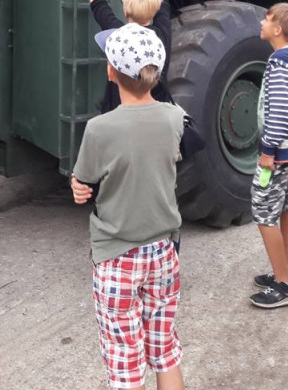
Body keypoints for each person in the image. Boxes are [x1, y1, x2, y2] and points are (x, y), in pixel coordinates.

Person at [71, 22, 185, 390]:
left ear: (110, 72)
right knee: (164, 348)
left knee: (125, 360)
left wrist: (77, 188)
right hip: (164, 253)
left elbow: (84, 183)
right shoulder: (174, 117)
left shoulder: (99, 128)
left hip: (117, 256)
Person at [249, 2, 288, 309]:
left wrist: (267, 151)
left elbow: (279, 115)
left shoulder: (279, 64)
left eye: (267, 18)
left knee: (263, 211)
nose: (262, 22)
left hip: (278, 152)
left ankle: (284, 285)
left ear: (277, 29)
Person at [90, 0, 171, 111]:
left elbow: (96, 1)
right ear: (155, 9)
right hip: (155, 118)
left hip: (118, 117)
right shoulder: (163, 33)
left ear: (126, 10)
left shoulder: (117, 33)